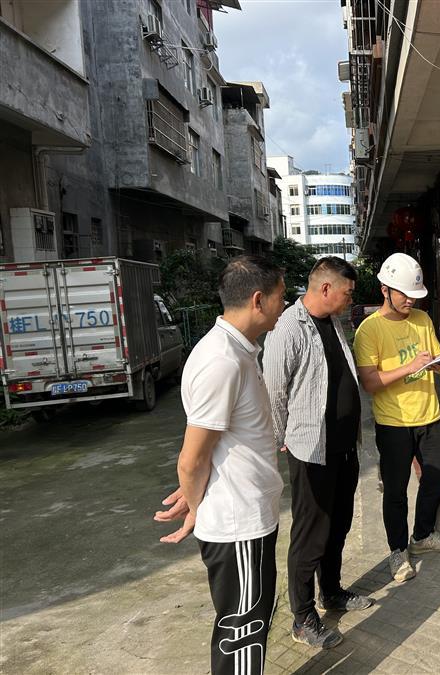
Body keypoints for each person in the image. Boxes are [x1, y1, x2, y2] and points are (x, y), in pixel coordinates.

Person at [165, 255, 286, 675]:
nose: (285, 305)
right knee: (243, 634)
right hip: (238, 525)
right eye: (281, 297)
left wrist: (196, 491)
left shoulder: (238, 351)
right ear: (258, 300)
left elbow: (213, 448)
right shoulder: (223, 361)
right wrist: (197, 505)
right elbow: (192, 458)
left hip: (248, 517)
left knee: (249, 624)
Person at [262, 256, 374, 651]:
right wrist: (281, 438)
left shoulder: (332, 321)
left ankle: (332, 591)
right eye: (347, 293)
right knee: (311, 533)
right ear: (326, 288)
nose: (350, 300)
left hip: (343, 448)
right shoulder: (289, 328)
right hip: (311, 450)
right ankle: (303, 617)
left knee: (339, 524)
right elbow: (273, 390)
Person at [353, 252, 440, 584]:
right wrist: (409, 367)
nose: (410, 300)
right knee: (396, 491)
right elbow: (370, 383)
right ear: (385, 289)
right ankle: (398, 551)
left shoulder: (422, 319)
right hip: (393, 423)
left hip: (430, 415)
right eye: (404, 294)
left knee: (438, 478)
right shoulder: (369, 330)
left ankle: (422, 535)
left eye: (414, 294)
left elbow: (435, 356)